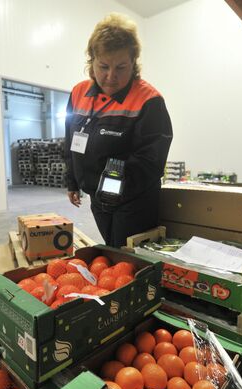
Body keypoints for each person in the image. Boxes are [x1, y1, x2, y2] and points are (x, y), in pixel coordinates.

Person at [64, 13, 173, 248]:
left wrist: (111, 190)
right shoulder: (78, 93)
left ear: (133, 63)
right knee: (112, 250)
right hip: (97, 197)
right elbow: (71, 140)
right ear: (91, 61)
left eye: (121, 67)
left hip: (134, 201)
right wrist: (73, 181)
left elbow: (150, 161)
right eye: (103, 66)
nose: (111, 77)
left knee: (127, 257)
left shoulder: (149, 100)